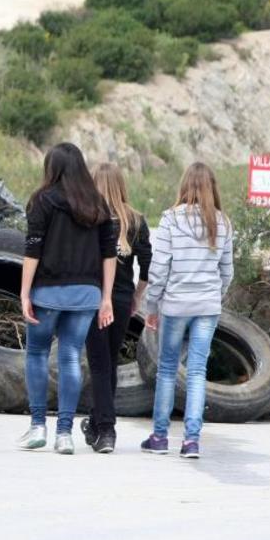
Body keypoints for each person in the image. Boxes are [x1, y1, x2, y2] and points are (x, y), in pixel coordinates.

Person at [18, 143, 117, 455]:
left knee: (36, 354)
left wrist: (24, 292)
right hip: (87, 294)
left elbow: (32, 249)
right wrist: (107, 298)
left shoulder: (42, 200)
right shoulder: (97, 204)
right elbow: (109, 255)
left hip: (48, 292)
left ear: (52, 167)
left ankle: (37, 426)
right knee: (71, 356)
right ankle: (64, 434)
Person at [141, 162, 233, 460]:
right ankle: (191, 441)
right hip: (206, 306)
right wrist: (214, 297)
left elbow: (159, 269)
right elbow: (227, 272)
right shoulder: (223, 223)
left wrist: (151, 305)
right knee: (197, 371)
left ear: (184, 186)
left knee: (167, 369)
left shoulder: (171, 219)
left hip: (176, 305)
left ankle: (160, 436)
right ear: (212, 188)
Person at [81, 163, 152, 454]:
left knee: (98, 363)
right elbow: (148, 266)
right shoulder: (136, 221)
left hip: (94, 298)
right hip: (122, 300)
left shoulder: (88, 218)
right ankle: (97, 423)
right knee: (108, 362)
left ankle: (106, 429)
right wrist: (137, 296)